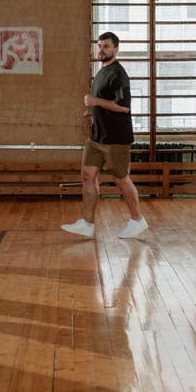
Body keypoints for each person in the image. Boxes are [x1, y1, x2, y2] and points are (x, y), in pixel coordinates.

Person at [60, 32, 147, 239]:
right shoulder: (101, 72)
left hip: (116, 139)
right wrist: (91, 111)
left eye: (106, 46)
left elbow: (124, 108)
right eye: (99, 46)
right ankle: (87, 223)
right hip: (96, 137)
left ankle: (138, 221)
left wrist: (96, 102)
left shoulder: (119, 74)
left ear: (116, 48)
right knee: (88, 176)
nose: (101, 50)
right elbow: (102, 101)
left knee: (121, 180)